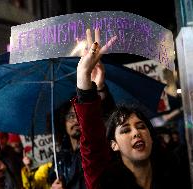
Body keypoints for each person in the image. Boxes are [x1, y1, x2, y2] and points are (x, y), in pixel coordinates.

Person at [73, 28, 181, 188]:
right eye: (125, 130)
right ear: (113, 145)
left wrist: (101, 88)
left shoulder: (175, 176)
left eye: (141, 126)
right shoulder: (106, 183)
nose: (136, 133)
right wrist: (84, 78)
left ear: (151, 137)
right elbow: (93, 140)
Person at [50, 29, 116, 189]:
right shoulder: (58, 158)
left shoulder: (93, 151)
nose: (75, 121)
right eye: (70, 117)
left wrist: (98, 88)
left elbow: (99, 130)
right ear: (63, 122)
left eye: (77, 115)